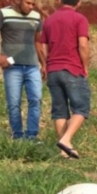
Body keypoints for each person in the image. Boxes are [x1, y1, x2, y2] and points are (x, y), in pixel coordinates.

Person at [39, 0, 90, 159]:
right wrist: (85, 66)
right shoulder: (79, 19)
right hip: (72, 69)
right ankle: (66, 139)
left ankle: (64, 150)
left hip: (53, 70)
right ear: (79, 2)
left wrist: (46, 64)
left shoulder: (49, 19)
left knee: (59, 111)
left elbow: (40, 46)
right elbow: (83, 45)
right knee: (81, 108)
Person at [0, 0, 44, 141]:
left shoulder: (36, 17)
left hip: (32, 66)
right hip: (12, 67)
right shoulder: (4, 13)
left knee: (36, 99)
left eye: (33, 4)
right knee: (14, 103)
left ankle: (32, 135)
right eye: (28, 3)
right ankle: (17, 136)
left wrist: (44, 63)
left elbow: (37, 41)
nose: (31, 7)